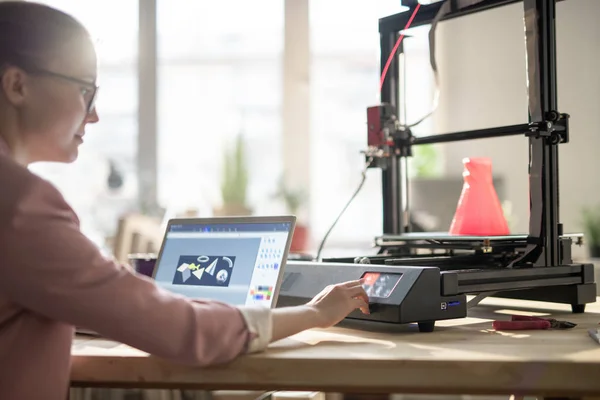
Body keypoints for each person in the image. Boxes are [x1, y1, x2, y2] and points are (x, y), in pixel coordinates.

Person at [0, 2, 370, 399]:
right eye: (86, 90)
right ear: (17, 85)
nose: (94, 116)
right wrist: (314, 314)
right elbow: (181, 330)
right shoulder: (21, 205)